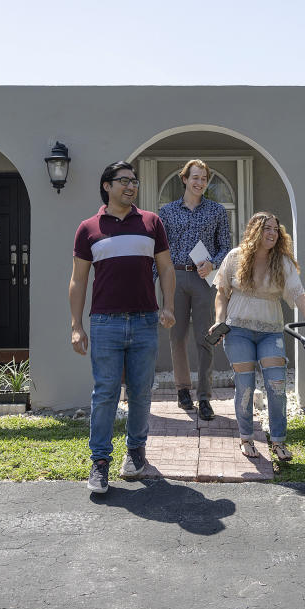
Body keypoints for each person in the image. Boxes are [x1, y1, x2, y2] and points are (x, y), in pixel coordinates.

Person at [69, 161, 176, 494]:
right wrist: (76, 325)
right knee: (105, 394)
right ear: (107, 186)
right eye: (124, 181)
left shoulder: (151, 222)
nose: (131, 186)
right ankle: (100, 462)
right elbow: (78, 279)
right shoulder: (88, 228)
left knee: (142, 392)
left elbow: (167, 268)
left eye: (134, 181)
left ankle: (135, 452)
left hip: (145, 320)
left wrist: (168, 305)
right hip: (104, 323)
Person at [210, 211, 305, 461]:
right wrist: (219, 321)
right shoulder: (235, 257)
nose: (272, 233)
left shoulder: (282, 262)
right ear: (254, 231)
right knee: (245, 386)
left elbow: (298, 292)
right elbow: (222, 292)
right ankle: (246, 437)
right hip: (238, 330)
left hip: (271, 332)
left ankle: (279, 441)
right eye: (267, 228)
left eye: (275, 229)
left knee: (277, 386)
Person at [158, 159, 232, 420]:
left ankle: (204, 397)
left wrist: (213, 262)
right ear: (185, 179)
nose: (200, 182)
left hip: (203, 280)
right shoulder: (166, 213)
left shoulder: (216, 211)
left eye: (204, 178)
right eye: (195, 177)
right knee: (176, 336)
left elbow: (226, 246)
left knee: (205, 337)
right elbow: (159, 250)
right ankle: (182, 390)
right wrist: (154, 279)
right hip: (174, 277)